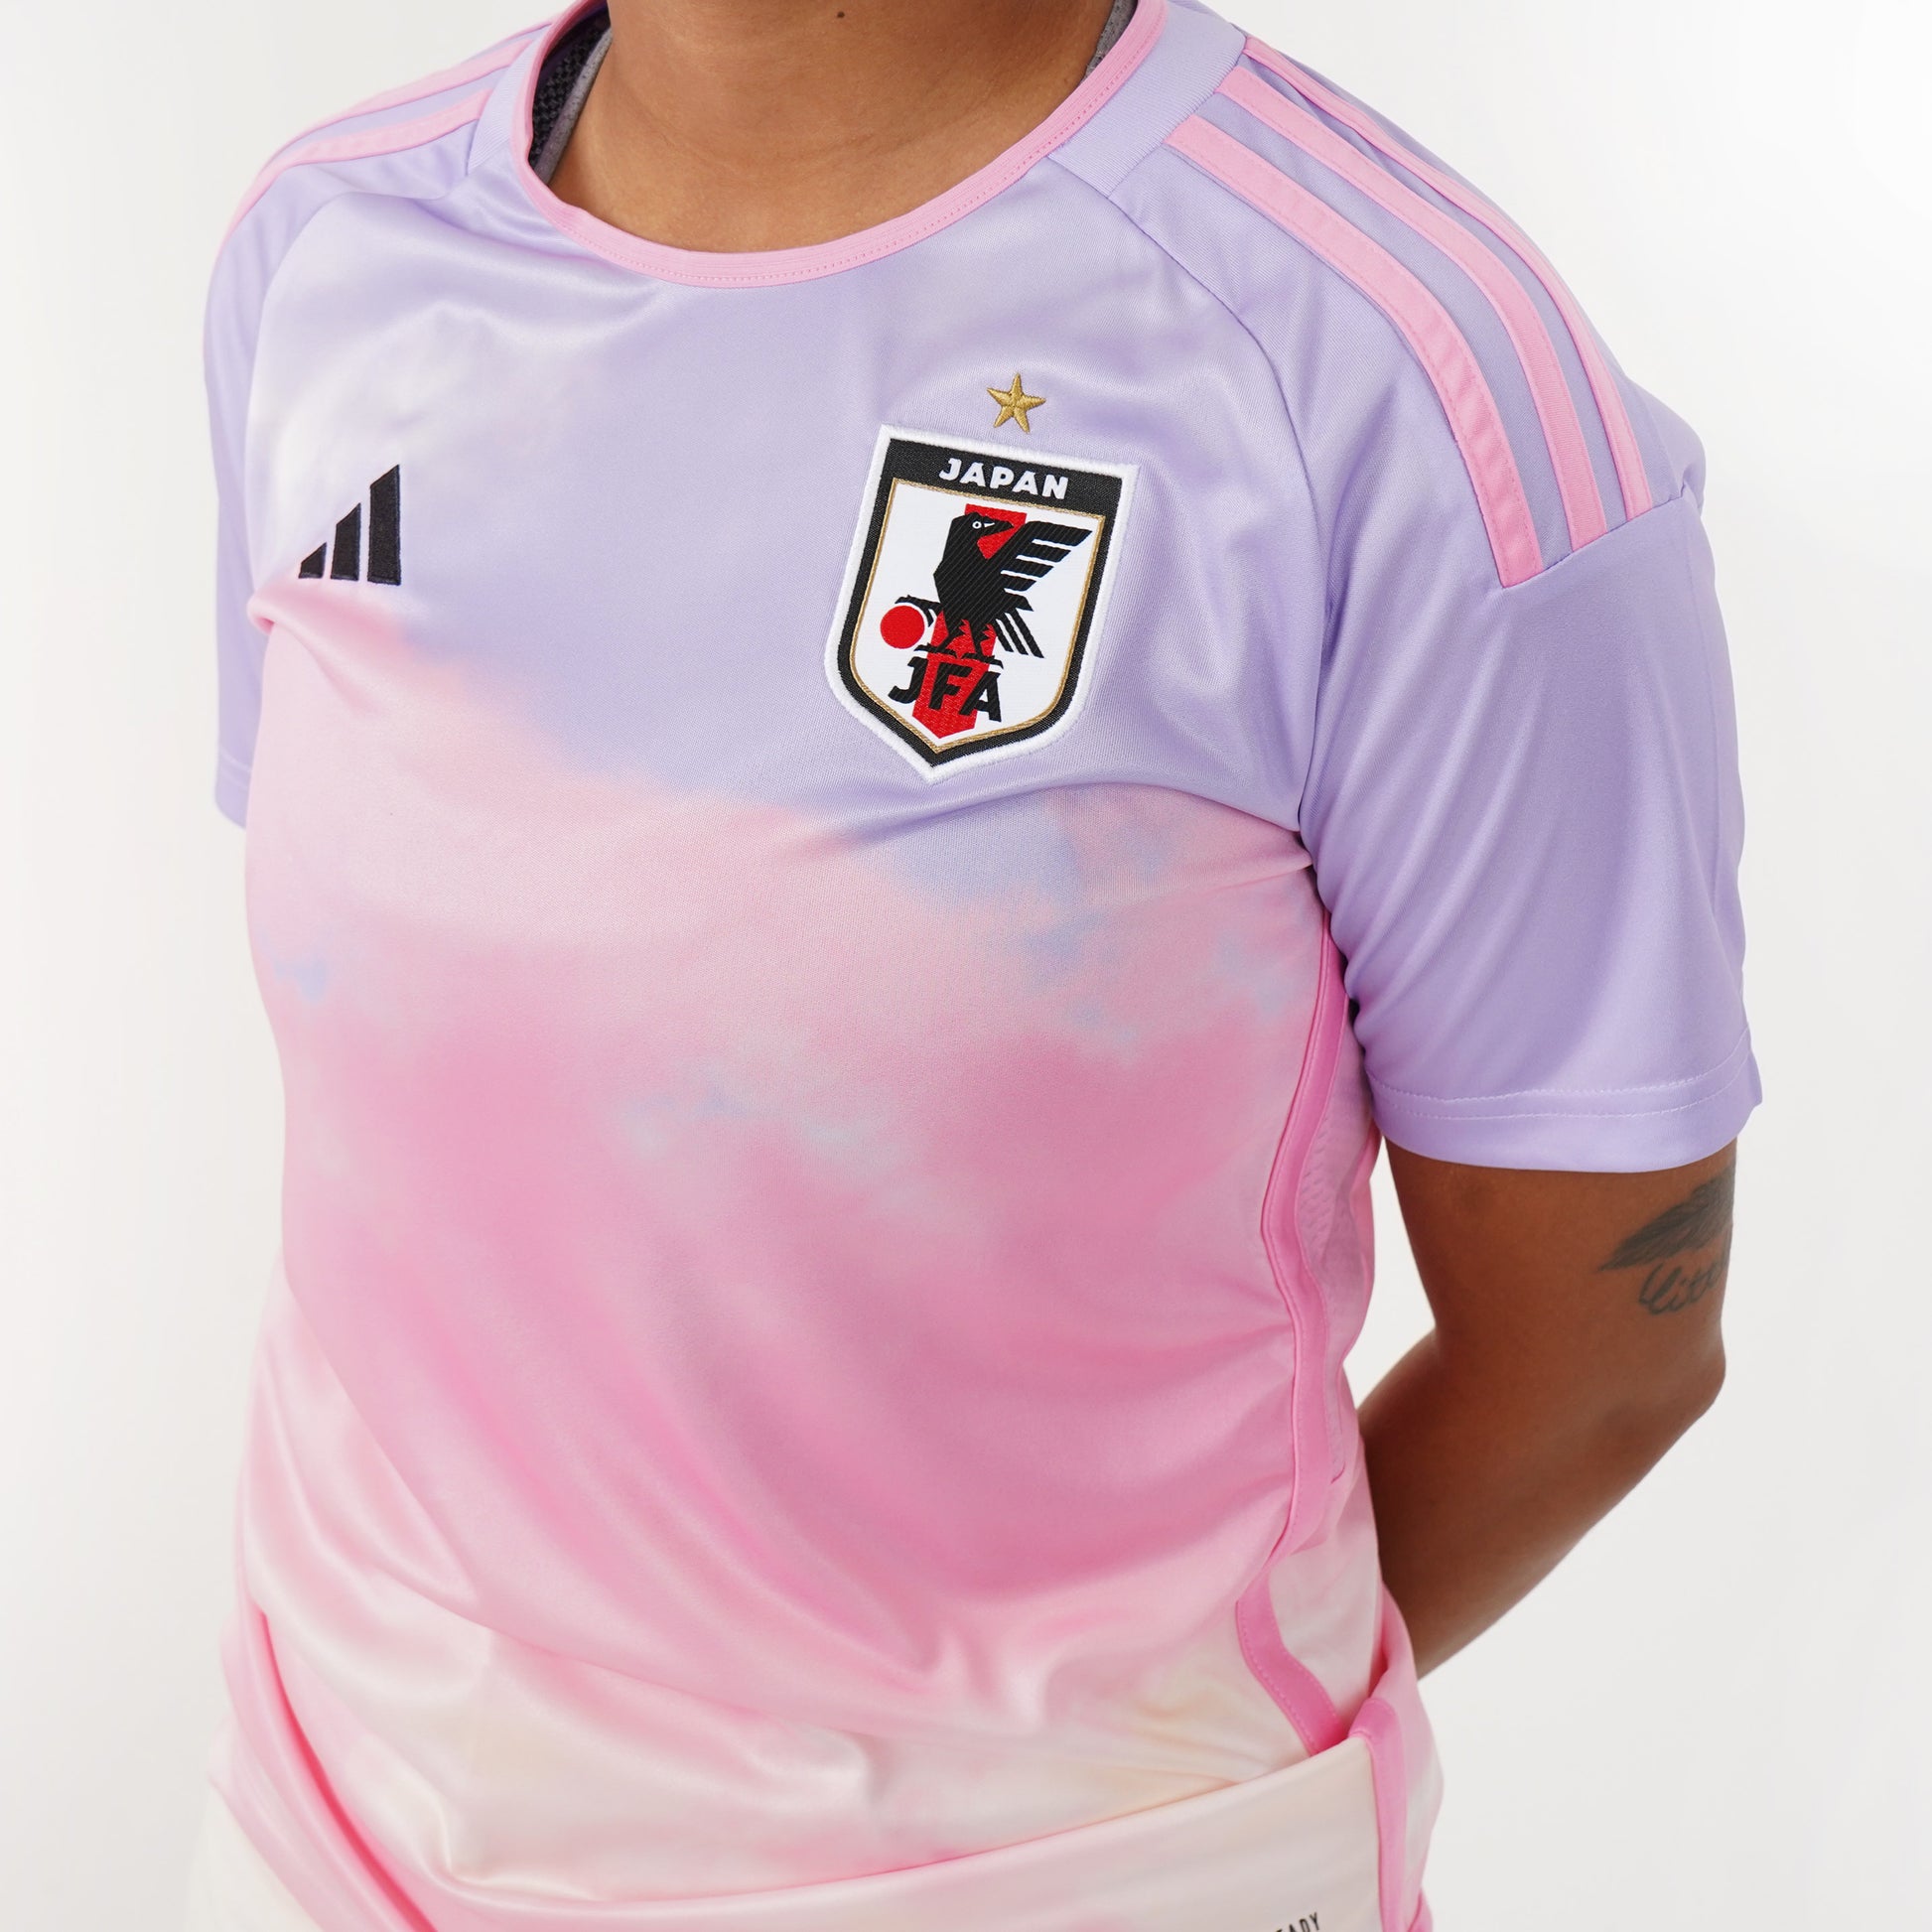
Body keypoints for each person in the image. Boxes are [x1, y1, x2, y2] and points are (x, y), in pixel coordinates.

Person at [184, 1, 1758, 1928]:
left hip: (1077, 1877)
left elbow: (1597, 1360)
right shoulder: (331, 248)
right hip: (324, 1842)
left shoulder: (1400, 377)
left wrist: (1094, 1765)